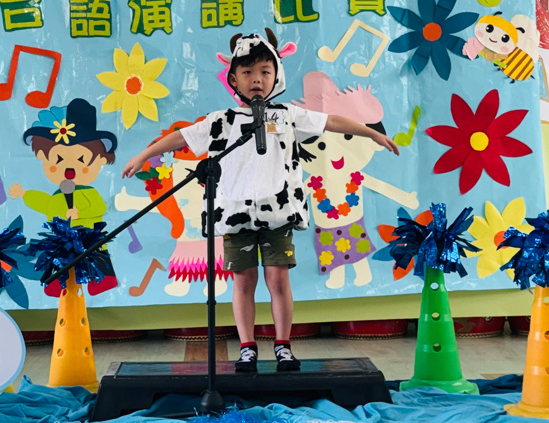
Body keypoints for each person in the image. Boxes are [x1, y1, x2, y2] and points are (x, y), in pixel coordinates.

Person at [121, 29, 399, 373]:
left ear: (276, 76)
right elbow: (181, 137)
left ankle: (283, 345)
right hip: (235, 214)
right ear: (234, 79)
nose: (257, 79)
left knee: (278, 280)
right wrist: (143, 155)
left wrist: (371, 133)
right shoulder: (222, 121)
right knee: (243, 281)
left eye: (265, 71)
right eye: (248, 72)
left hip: (278, 215)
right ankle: (247, 347)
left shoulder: (287, 115)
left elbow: (330, 122)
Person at [10, 98, 119, 296]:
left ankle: (102, 281)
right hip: (64, 237)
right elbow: (45, 203)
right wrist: (24, 194)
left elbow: (99, 207)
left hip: (88, 236)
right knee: (58, 255)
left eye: (81, 159)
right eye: (58, 159)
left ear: (101, 159)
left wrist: (80, 212)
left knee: (96, 253)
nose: (69, 168)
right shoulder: (58, 196)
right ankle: (56, 282)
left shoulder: (88, 192)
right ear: (43, 157)